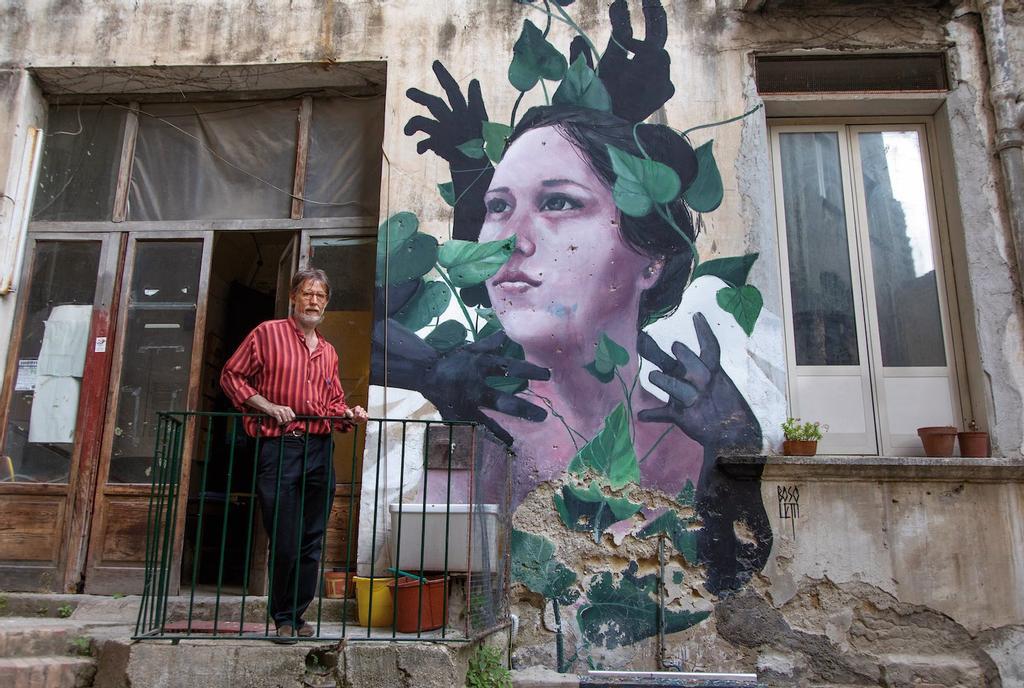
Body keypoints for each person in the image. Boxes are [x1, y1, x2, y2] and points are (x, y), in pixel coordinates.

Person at [221, 267, 368, 640]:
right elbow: (231, 377)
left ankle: (297, 617)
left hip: (319, 447)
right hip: (279, 446)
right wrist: (268, 406)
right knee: (285, 536)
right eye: (307, 293)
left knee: (312, 538)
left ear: (326, 302)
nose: (313, 301)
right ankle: (282, 617)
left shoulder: (329, 352)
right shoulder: (266, 334)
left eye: (320, 295)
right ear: (293, 297)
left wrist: (349, 414)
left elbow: (332, 403)